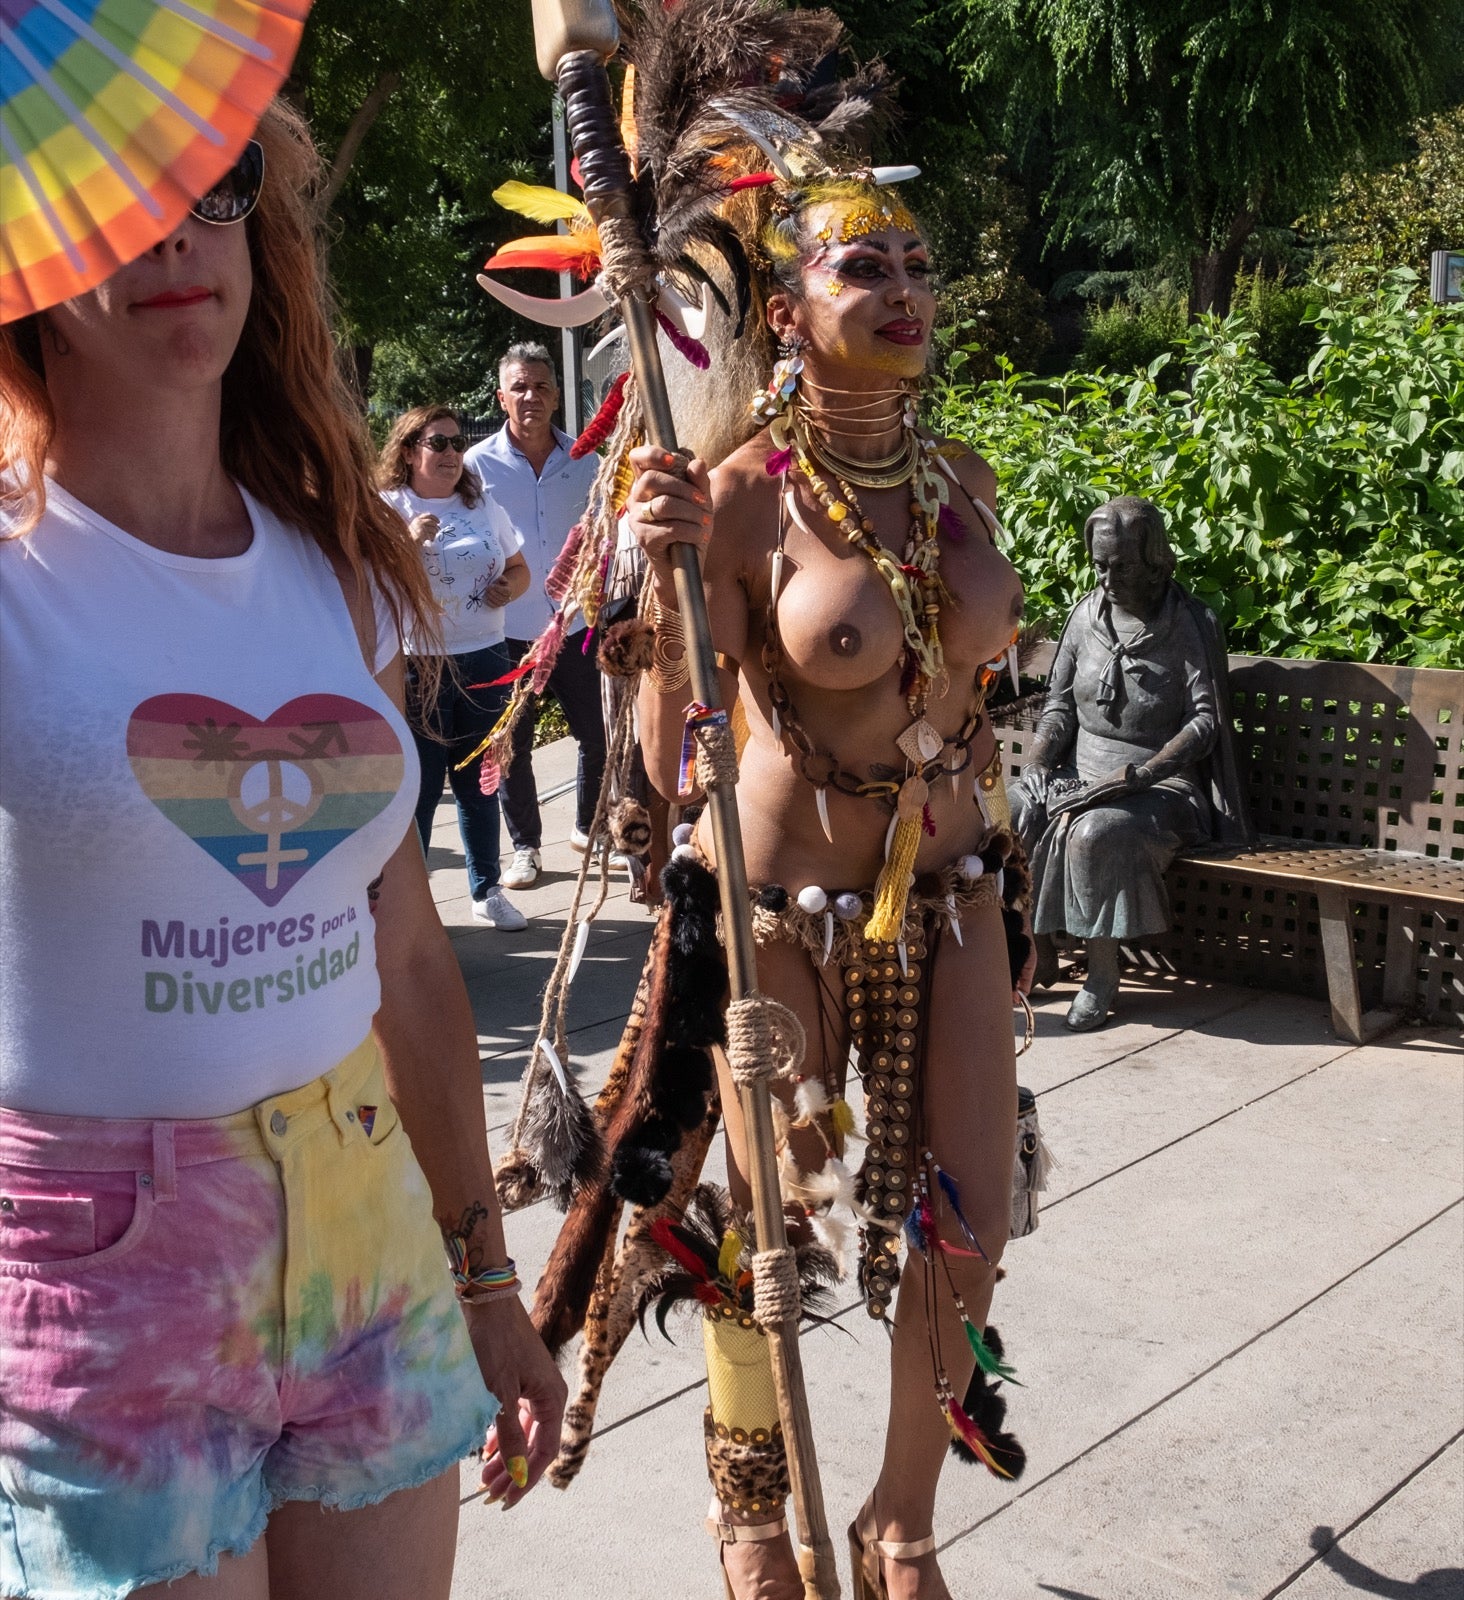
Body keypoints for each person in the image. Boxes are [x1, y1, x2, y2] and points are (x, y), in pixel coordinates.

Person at [492, 13, 1037, 1598]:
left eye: (918, 260)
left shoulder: (969, 483)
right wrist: (665, 587)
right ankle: (753, 1513)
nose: (907, 288)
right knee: (765, 1225)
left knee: (967, 1222)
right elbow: (672, 759)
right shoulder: (734, 498)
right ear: (788, 313)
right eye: (866, 269)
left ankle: (900, 1521)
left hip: (953, 891)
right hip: (780, 902)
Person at [0, 100, 564, 1600]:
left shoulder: (338, 570)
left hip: (366, 1210)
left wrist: (488, 1271)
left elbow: (405, 946)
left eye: (211, 181)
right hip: (100, 1264)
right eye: (112, 200)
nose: (174, 229)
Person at [1008, 495, 1252, 1031]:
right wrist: (1040, 765)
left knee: (1096, 831)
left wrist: (1139, 775)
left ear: (1154, 558)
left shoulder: (1188, 624)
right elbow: (1059, 707)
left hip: (1163, 787)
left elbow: (1205, 723)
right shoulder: (1084, 615)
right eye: (1099, 563)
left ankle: (1101, 973)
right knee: (1011, 810)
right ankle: (1035, 949)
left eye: (1121, 564)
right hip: (1081, 774)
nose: (1107, 575)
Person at [378, 406, 531, 931]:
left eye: (455, 443)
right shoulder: (386, 508)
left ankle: (486, 890)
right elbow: (361, 580)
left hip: (485, 655)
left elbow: (518, 567)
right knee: (418, 788)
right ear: (408, 449)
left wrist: (508, 587)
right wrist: (407, 541)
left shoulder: (482, 504)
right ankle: (412, 905)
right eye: (436, 443)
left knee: (481, 780)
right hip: (417, 663)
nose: (449, 454)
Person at [464, 345, 604, 887]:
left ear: (556, 394)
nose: (531, 397)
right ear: (501, 396)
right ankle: (525, 847)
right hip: (508, 630)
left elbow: (607, 528)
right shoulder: (476, 466)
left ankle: (588, 829)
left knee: (598, 735)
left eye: (541, 386)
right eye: (519, 387)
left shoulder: (588, 457)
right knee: (512, 745)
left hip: (576, 621)